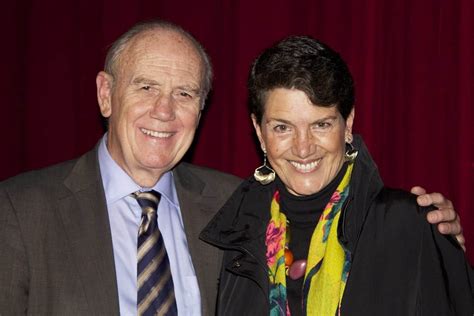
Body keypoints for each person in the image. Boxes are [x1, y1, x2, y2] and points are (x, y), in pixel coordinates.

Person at [0, 20, 465, 316]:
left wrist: (436, 238)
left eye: (184, 93)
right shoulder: (20, 212)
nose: (164, 111)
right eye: (145, 88)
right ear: (105, 94)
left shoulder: (232, 206)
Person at [200, 36, 473, 315]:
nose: (303, 148)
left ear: (348, 124)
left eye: (321, 125)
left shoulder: (408, 223)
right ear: (259, 131)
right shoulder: (232, 237)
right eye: (283, 128)